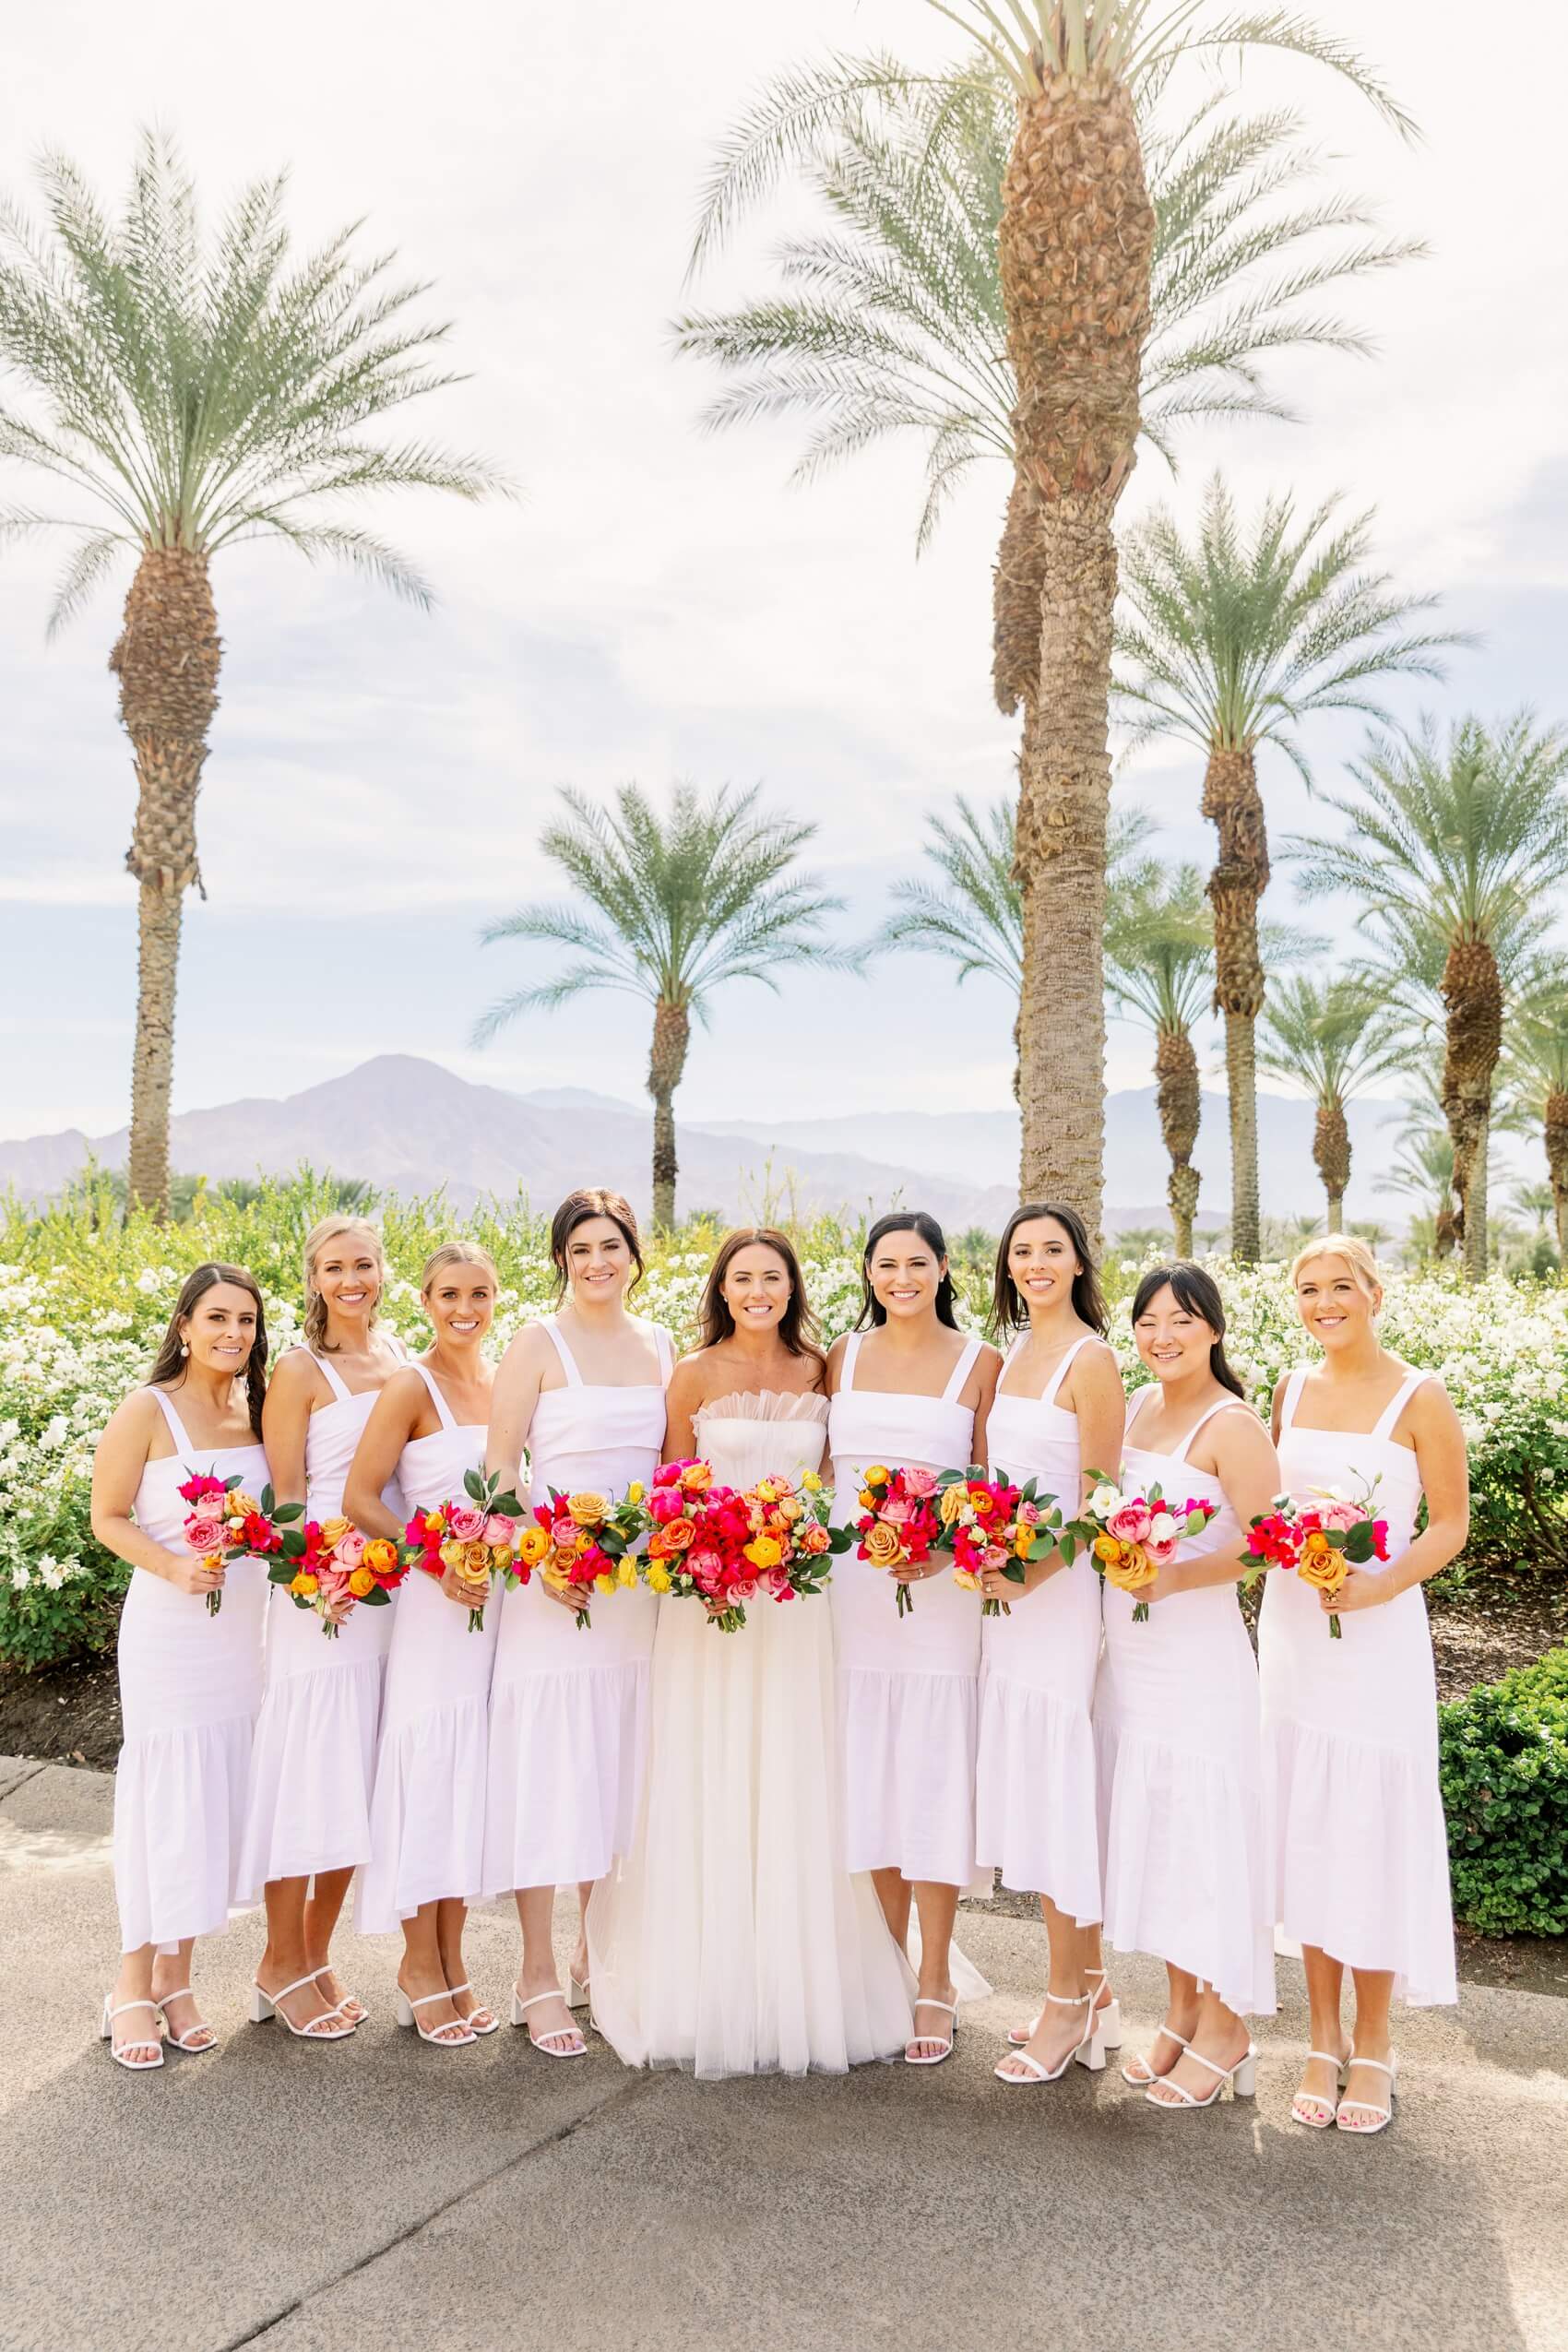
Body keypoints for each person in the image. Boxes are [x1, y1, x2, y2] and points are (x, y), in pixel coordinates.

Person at [588, 1228, 913, 2075]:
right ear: (722, 1291)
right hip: (708, 1610)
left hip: (799, 1609)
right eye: (742, 1278)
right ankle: (706, 1983)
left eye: (772, 1276)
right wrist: (705, 1552)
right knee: (713, 1767)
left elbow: (839, 1485)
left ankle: (802, 1981)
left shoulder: (822, 1370)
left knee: (794, 1772)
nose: (757, 1290)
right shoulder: (692, 1375)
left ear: (791, 1287)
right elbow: (668, 1494)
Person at [1264, 1235, 1468, 2135]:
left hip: (1377, 1638)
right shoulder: (1287, 1391)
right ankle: (1319, 2038)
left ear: (1373, 1293)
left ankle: (1375, 2042)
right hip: (1296, 1632)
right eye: (1306, 1290)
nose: (1322, 1302)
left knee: (1367, 1830)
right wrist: (1285, 1547)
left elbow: (1448, 1524)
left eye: (1338, 1285)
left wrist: (1381, 1580)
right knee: (1308, 1826)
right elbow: (1269, 1508)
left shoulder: (1418, 1397)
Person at [483, 1190, 669, 2059]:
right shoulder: (536, 1343)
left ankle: (601, 1956)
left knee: (617, 1773)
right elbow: (499, 1471)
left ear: (635, 1253)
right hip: (555, 1593)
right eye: (582, 1248)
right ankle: (536, 1974)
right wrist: (544, 1556)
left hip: (637, 1593)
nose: (598, 1261)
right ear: (561, 1258)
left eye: (612, 1246)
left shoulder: (661, 1344)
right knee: (550, 1775)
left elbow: (671, 1471)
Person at [1095, 1263, 1281, 2112]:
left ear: (1212, 1328)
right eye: (1148, 1323)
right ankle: (1179, 2008)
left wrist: (1176, 1576)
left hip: (1198, 1654)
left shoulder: (1230, 1423)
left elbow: (1271, 1544)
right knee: (1162, 1829)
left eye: (1180, 1321)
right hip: (1134, 1657)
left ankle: (1227, 2024)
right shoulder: (1135, 1407)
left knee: (1204, 1832)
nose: (1162, 1336)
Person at [826, 1209, 1002, 2065]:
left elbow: (994, 1489)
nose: (901, 1278)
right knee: (869, 1779)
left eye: (917, 1263)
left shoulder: (981, 1364)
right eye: (886, 1264)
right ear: (869, 1273)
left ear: (943, 1270)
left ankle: (935, 1979)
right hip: (853, 1599)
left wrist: (941, 1551)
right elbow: (823, 1472)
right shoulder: (841, 1357)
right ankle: (882, 1967)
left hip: (938, 1600)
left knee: (930, 1778)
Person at [89, 1263, 271, 2070]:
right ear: (186, 1324)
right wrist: (171, 1568)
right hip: (171, 1630)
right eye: (218, 1319)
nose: (234, 1334)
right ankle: (130, 1984)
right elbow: (107, 1517)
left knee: (216, 1794)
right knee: (168, 1794)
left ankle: (180, 1978)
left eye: (247, 1322)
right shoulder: (148, 1409)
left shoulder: (261, 1412)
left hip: (245, 1633)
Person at [237, 1217, 408, 2040]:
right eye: (335, 1267)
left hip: (393, 1596)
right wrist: (320, 1581)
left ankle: (314, 1952)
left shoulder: (405, 1360)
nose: (352, 1280)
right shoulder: (299, 1373)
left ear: (383, 1272)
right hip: (322, 1601)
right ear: (312, 1279)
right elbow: (286, 1498)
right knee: (309, 1778)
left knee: (359, 1781)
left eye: (364, 1265)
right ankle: (277, 1960)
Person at [977, 1205, 1125, 2086]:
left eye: (1052, 1251)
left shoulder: (1090, 1359)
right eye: (1022, 1252)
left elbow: (1100, 1501)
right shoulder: (1010, 1358)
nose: (1036, 1264)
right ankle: (1094, 1992)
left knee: (1062, 1795)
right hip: (1005, 1604)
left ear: (1077, 1263)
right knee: (1036, 1792)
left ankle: (1065, 2003)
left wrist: (1033, 1572)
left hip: (1059, 1602)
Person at [347, 1243, 502, 2049]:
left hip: (496, 1609)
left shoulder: (507, 1381)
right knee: (428, 1769)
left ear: (496, 1297)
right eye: (448, 1294)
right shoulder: (412, 1385)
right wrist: (431, 1560)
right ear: (425, 1298)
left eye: (478, 1293)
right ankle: (417, 1964)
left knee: (466, 1777)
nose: (463, 1308)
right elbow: (360, 1497)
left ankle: (454, 1957)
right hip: (433, 1606)